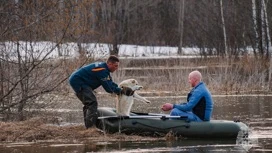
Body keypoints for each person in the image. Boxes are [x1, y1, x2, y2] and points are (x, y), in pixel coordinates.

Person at [69, 55, 133, 129]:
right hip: (78, 82)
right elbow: (108, 88)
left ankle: (88, 126)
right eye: (115, 66)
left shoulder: (104, 69)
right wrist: (122, 91)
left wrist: (121, 89)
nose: (117, 68)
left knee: (88, 103)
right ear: (110, 64)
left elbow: (110, 83)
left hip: (80, 81)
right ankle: (90, 128)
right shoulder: (102, 70)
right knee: (92, 103)